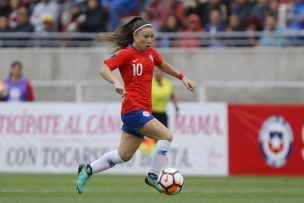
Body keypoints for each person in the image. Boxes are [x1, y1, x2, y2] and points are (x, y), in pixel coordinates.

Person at [76, 16, 194, 194]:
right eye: (145, 36)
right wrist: (116, 83)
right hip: (133, 109)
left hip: (142, 110)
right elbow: (104, 69)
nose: (149, 40)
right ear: (135, 35)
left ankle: (87, 169)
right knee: (166, 136)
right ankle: (153, 176)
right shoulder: (126, 54)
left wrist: (182, 77)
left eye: (152, 37)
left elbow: (163, 65)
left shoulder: (151, 53)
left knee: (123, 155)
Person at [140, 68, 179, 155]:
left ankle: (158, 153)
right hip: (151, 112)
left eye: (161, 71)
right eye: (157, 71)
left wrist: (176, 107)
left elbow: (172, 96)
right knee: (152, 135)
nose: (159, 73)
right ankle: (147, 148)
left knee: (165, 136)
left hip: (163, 113)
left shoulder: (167, 83)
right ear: (153, 73)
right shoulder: (149, 82)